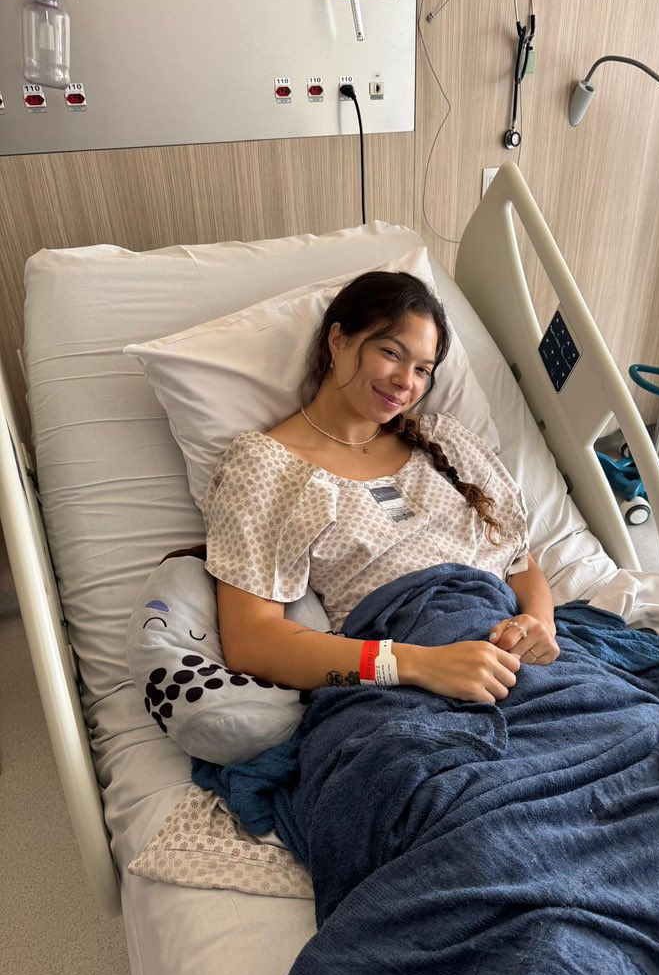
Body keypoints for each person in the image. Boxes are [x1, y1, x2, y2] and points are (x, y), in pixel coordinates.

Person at [203, 270, 560, 704]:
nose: (406, 382)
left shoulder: (444, 441)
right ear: (338, 340)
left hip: (516, 658)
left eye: (422, 370)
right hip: (407, 681)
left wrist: (539, 623)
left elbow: (518, 559)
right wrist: (418, 665)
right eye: (391, 353)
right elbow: (251, 641)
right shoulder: (267, 468)